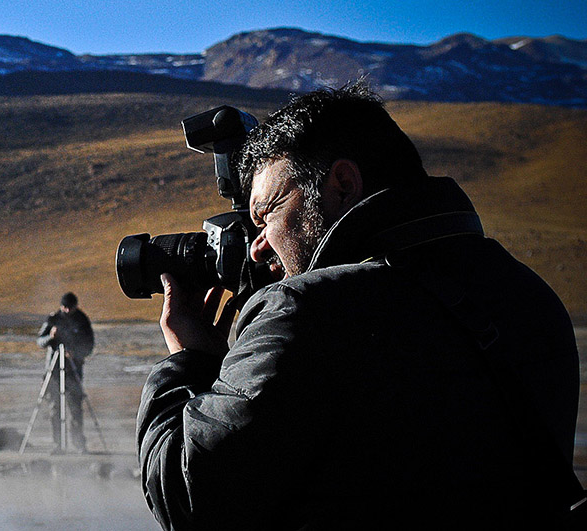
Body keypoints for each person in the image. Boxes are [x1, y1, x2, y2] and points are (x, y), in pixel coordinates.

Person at [137, 83, 580, 529]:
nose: (257, 248)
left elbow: (190, 501)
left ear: (344, 184)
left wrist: (187, 363)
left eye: (267, 213)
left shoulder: (305, 312)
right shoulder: (527, 293)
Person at [37, 292, 94, 453]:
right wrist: (50, 337)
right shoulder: (53, 319)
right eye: (65, 307)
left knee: (75, 407)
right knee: (55, 408)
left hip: (73, 369)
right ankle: (58, 444)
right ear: (61, 306)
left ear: (76, 306)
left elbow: (89, 346)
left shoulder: (82, 320)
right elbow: (40, 341)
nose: (67, 311)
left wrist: (75, 353)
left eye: (71, 308)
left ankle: (78, 444)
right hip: (54, 370)